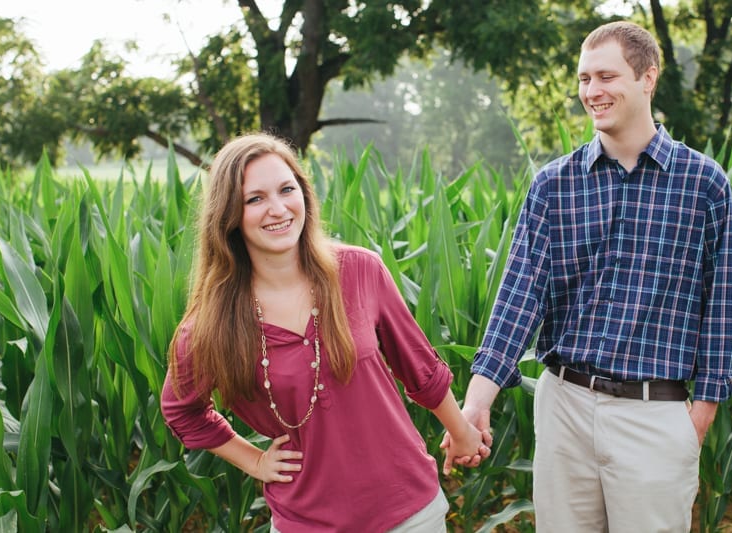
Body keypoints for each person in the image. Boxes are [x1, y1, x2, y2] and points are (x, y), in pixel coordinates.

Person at [445, 21, 732, 532]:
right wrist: (475, 404)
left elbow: (722, 305)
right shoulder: (553, 187)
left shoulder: (703, 184)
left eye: (606, 76)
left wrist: (702, 413)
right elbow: (520, 296)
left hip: (655, 413)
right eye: (584, 79)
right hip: (564, 405)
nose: (591, 92)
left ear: (648, 78)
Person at [161, 132, 489, 532]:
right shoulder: (210, 325)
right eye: (255, 199)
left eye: (287, 189)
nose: (278, 208)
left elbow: (421, 368)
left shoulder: (360, 270)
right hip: (308, 521)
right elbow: (182, 410)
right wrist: (255, 460)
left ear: (304, 193)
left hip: (410, 512)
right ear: (229, 216)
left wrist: (463, 434)